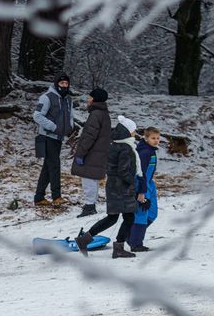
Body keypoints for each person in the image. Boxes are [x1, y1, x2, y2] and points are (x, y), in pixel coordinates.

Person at [75, 116, 142, 259]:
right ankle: (118, 247)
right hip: (122, 188)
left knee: (112, 218)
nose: (135, 133)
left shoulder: (114, 146)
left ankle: (85, 239)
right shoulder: (126, 148)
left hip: (112, 186)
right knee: (128, 218)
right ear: (127, 132)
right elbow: (124, 171)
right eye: (133, 131)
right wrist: (132, 183)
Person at [32, 74, 75, 206]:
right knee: (54, 166)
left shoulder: (68, 99)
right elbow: (37, 115)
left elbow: (71, 114)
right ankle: (57, 197)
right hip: (47, 137)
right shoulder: (47, 97)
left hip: (59, 138)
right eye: (62, 83)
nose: (64, 86)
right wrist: (53, 127)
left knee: (48, 167)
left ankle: (39, 197)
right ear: (57, 84)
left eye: (66, 84)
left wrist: (70, 126)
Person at [72, 88, 111, 217]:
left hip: (92, 152)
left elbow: (89, 136)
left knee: (88, 179)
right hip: (99, 152)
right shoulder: (104, 113)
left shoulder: (96, 114)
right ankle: (91, 204)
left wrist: (81, 153)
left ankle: (90, 206)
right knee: (92, 179)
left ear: (95, 99)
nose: (88, 100)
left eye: (90, 97)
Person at [128, 128, 161, 253]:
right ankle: (135, 243)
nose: (156, 140)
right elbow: (139, 173)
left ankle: (131, 234)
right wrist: (141, 192)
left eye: (158, 138)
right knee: (141, 214)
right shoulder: (144, 152)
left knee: (152, 214)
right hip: (142, 185)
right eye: (153, 138)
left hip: (149, 184)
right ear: (146, 138)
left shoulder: (151, 151)